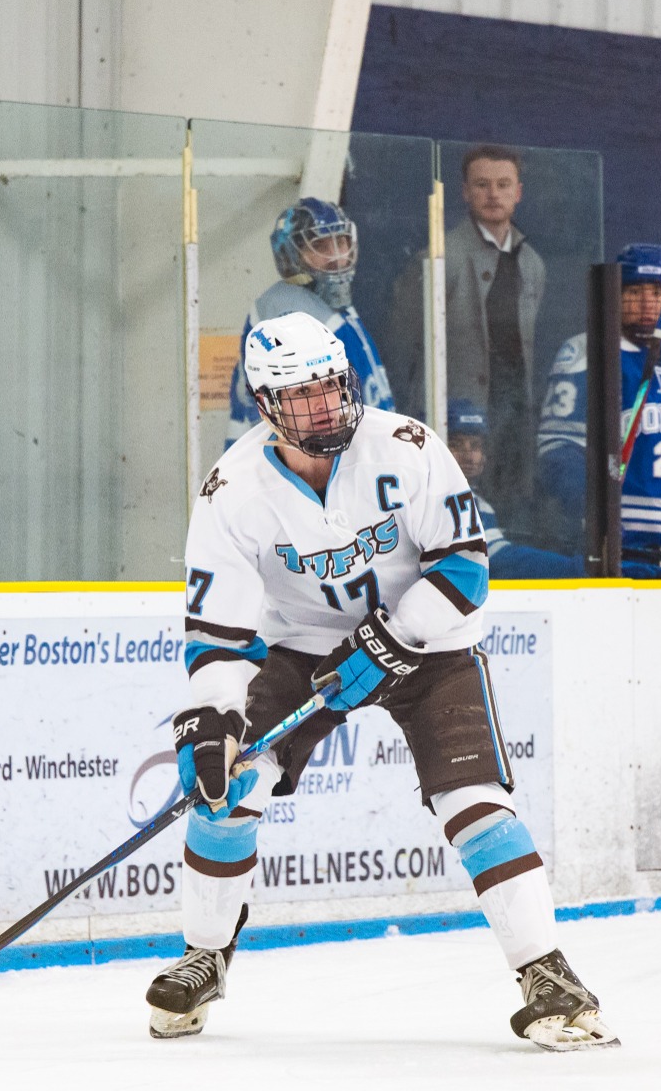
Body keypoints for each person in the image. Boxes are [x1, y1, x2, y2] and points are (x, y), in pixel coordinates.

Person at [158, 311, 615, 1051]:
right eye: (301, 396)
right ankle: (204, 954)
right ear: (265, 402)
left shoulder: (405, 446)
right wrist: (212, 716)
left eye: (332, 387)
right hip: (304, 647)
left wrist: (394, 639)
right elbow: (218, 635)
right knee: (226, 785)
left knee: (475, 801)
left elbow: (465, 567)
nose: (324, 406)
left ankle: (548, 973)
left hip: (429, 640)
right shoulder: (231, 491)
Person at [536, 243, 661, 563]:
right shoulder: (585, 352)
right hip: (619, 543)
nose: (647, 304)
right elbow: (557, 448)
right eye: (634, 291)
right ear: (614, 295)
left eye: (657, 292)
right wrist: (597, 516)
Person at [391, 147, 547, 504]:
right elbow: (402, 346)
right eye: (482, 185)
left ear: (518, 192)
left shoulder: (533, 264)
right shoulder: (438, 257)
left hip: (511, 426)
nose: (493, 194)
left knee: (508, 516)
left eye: (503, 184)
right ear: (464, 192)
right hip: (454, 429)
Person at [225, 198, 396, 448]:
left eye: (341, 242)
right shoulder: (287, 312)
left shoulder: (331, 305)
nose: (337, 256)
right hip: (277, 466)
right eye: (321, 246)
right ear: (291, 256)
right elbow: (305, 417)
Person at [446, 399, 581, 579]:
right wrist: (576, 569)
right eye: (455, 444)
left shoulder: (477, 502)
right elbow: (498, 559)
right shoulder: (442, 498)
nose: (469, 456)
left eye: (475, 445)